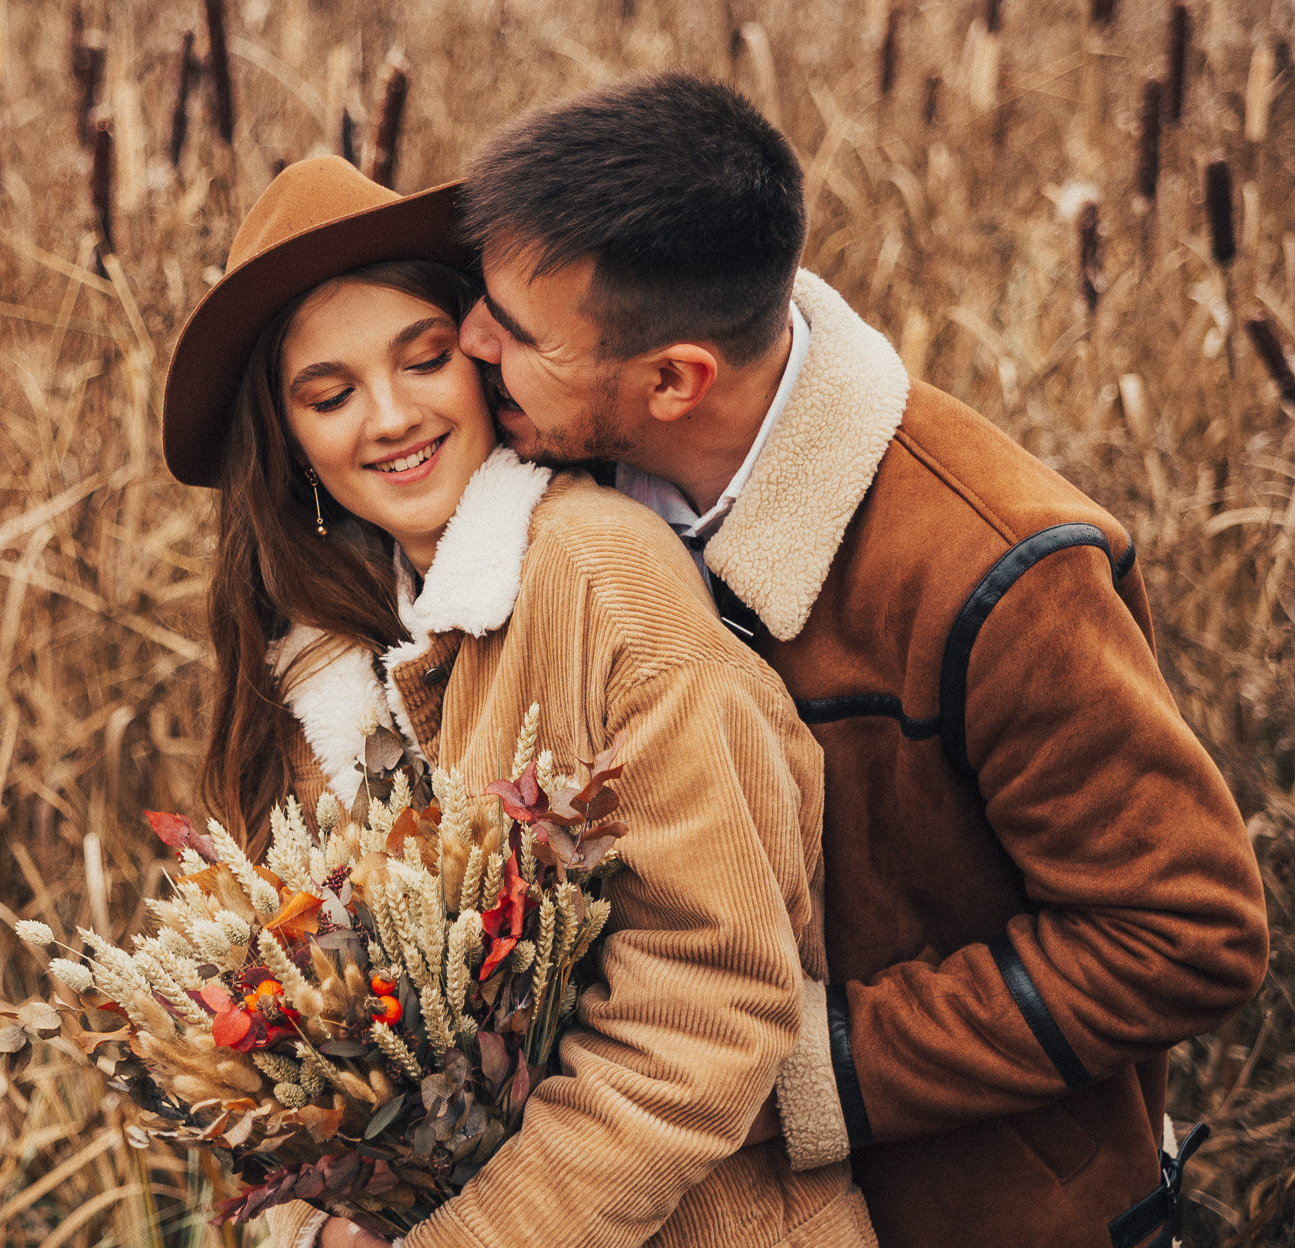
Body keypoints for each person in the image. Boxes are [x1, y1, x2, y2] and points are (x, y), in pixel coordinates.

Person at [451, 73, 1270, 1248]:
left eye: (515, 333)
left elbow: (1180, 934)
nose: (471, 340)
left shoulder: (997, 573)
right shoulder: (556, 494)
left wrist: (802, 1065)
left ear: (675, 377)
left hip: (977, 1216)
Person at [163, 155, 875, 1248]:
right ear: (290, 439)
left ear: (481, 359)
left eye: (424, 358)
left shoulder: (601, 580)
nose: (391, 416)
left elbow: (702, 1008)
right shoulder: (329, 673)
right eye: (331, 392)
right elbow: (304, 1045)